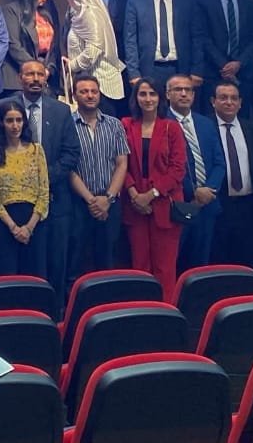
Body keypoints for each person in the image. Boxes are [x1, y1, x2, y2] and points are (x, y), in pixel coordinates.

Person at [9, 60, 81, 301]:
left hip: (56, 199)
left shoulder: (61, 111)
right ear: (20, 78)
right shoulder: (5, 107)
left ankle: (55, 313)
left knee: (56, 264)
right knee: (25, 268)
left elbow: (71, 153)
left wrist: (42, 179)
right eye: (30, 74)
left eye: (40, 74)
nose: (35, 78)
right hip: (18, 206)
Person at [121, 79, 186, 296]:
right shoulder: (126, 125)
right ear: (135, 98)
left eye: (152, 94)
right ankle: (143, 310)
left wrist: (150, 194)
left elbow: (178, 169)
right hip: (134, 204)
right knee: (140, 265)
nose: (148, 99)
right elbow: (120, 164)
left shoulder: (171, 127)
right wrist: (134, 194)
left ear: (160, 97)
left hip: (164, 204)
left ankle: (165, 312)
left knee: (165, 267)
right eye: (143, 94)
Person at [68, 74, 129, 281]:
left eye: (94, 91)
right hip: (79, 203)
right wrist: (92, 201)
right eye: (84, 91)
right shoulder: (67, 125)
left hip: (110, 203)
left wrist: (108, 198)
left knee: (108, 260)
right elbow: (69, 168)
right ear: (75, 95)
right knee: (76, 260)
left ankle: (108, 298)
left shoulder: (114, 125)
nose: (90, 95)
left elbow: (122, 164)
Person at [0, 98, 49, 276]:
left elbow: (44, 191)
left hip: (33, 222)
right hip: (3, 222)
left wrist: (28, 228)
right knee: (6, 277)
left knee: (34, 277)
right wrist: (13, 227)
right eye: (10, 120)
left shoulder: (36, 150)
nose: (15, 125)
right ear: (1, 123)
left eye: (19, 120)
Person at [163, 76, 224, 272]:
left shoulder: (205, 123)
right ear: (167, 94)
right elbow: (166, 167)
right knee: (174, 262)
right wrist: (194, 191)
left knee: (202, 264)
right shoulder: (162, 124)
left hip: (207, 204)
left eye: (188, 90)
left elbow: (219, 162)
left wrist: (208, 191)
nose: (183, 94)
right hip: (179, 205)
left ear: (194, 94)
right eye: (178, 89)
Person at [124, 0, 203, 87]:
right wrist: (134, 73)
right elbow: (130, 40)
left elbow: (197, 38)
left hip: (181, 67)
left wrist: (197, 70)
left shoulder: (189, 1)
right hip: (148, 68)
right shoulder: (135, 1)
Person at [196, 0, 253, 111]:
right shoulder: (202, 1)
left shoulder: (250, 3)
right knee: (212, 116)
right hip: (214, 70)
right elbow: (203, 37)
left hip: (244, 71)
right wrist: (223, 64)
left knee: (244, 117)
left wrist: (239, 63)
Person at [210, 82, 253, 267]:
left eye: (234, 98)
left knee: (247, 258)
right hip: (218, 204)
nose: (229, 102)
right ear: (213, 101)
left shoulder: (251, 128)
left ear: (240, 103)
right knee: (219, 259)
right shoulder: (205, 127)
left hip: (248, 205)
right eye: (223, 98)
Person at [66, 0, 126, 115]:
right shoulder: (83, 13)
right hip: (88, 80)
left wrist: (72, 65)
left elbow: (94, 48)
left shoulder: (90, 14)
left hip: (100, 83)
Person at [2, 0, 63, 93]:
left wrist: (48, 69)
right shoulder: (11, 10)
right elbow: (13, 45)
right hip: (18, 80)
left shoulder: (45, 14)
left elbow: (53, 49)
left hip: (43, 78)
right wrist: (36, 68)